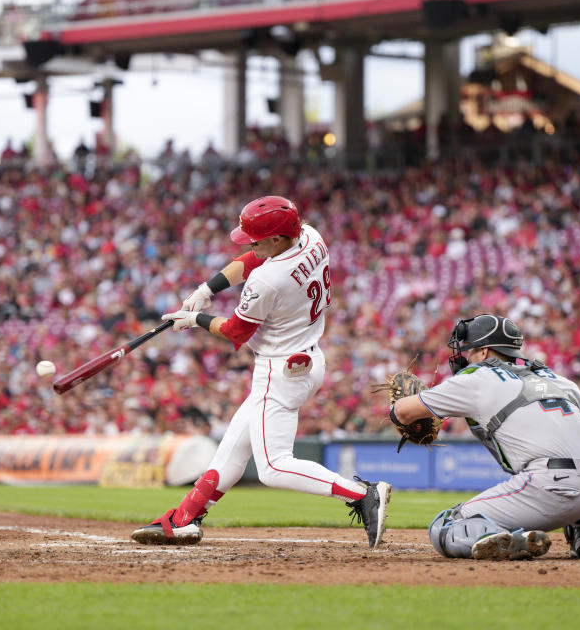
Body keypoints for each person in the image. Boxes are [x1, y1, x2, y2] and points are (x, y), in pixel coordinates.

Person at [130, 196, 391, 548]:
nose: (251, 244)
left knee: (273, 467)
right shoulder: (310, 236)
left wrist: (194, 319)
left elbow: (237, 331)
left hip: (279, 369)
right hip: (307, 357)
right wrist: (207, 290)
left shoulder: (268, 280)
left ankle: (362, 493)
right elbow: (254, 257)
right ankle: (183, 519)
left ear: (278, 239)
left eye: (257, 238)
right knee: (233, 450)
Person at [389, 314, 580, 560]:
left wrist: (395, 410)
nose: (466, 357)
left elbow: (403, 411)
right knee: (565, 451)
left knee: (444, 526)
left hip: (556, 490)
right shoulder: (557, 378)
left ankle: (514, 541)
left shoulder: (475, 379)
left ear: (484, 352)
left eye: (470, 351)